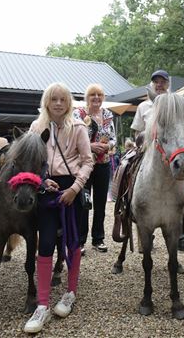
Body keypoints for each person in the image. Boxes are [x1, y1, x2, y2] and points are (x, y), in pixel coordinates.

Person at [24, 82, 94, 333]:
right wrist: (41, 180)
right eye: (53, 99)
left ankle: (70, 292)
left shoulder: (78, 128)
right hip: (46, 189)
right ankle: (42, 304)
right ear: (46, 101)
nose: (58, 103)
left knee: (73, 242)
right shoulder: (36, 127)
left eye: (62, 99)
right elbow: (31, 161)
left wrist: (75, 188)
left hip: (71, 188)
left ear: (69, 103)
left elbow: (88, 161)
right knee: (45, 244)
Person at [131, 69, 184, 254]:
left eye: (163, 81)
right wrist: (145, 138)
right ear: (152, 84)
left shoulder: (177, 102)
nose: (159, 84)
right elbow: (137, 131)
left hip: (173, 152)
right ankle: (127, 207)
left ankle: (181, 230)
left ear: (168, 83)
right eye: (156, 82)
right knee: (127, 168)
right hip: (149, 150)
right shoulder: (144, 106)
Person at [73, 84, 115, 253]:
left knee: (100, 202)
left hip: (103, 163)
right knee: (83, 202)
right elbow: (74, 138)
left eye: (99, 94)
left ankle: (98, 239)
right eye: (92, 94)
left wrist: (106, 146)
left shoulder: (108, 115)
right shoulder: (78, 114)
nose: (96, 97)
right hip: (84, 164)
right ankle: (80, 240)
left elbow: (113, 139)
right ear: (87, 97)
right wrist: (91, 146)